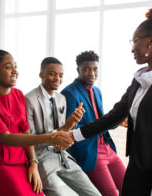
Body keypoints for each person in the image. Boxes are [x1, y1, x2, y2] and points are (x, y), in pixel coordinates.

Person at [63, 6, 152, 196]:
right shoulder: (141, 78)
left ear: (151, 40)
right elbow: (113, 117)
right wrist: (73, 136)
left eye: (136, 41)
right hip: (137, 165)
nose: (132, 48)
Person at [0, 50, 83, 196]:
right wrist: (50, 137)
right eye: (8, 67)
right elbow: (6, 137)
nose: (15, 71)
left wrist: (33, 163)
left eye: (15, 66)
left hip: (22, 163)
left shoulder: (17, 95)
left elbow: (25, 130)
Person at [25, 57, 101, 196]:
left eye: (61, 75)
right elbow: (29, 138)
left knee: (94, 194)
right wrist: (33, 162)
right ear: (41, 74)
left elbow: (61, 132)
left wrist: (70, 124)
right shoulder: (29, 99)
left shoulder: (62, 99)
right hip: (41, 156)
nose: (57, 79)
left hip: (63, 155)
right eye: (52, 74)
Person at [61, 51, 126, 196]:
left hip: (107, 147)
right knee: (110, 194)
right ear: (78, 70)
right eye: (86, 69)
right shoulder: (69, 93)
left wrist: (117, 122)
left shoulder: (97, 91)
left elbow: (102, 122)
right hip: (90, 151)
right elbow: (69, 128)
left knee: (129, 186)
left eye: (95, 69)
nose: (92, 73)